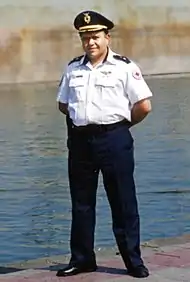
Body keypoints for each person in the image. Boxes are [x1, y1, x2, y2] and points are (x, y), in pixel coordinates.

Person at [56, 10, 152, 278]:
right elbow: (63, 105)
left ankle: (133, 261)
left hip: (114, 139)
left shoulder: (124, 67)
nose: (90, 43)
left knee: (123, 202)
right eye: (85, 38)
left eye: (95, 37)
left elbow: (144, 106)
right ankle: (83, 259)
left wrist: (120, 127)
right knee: (82, 203)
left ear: (107, 37)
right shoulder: (73, 68)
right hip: (80, 141)